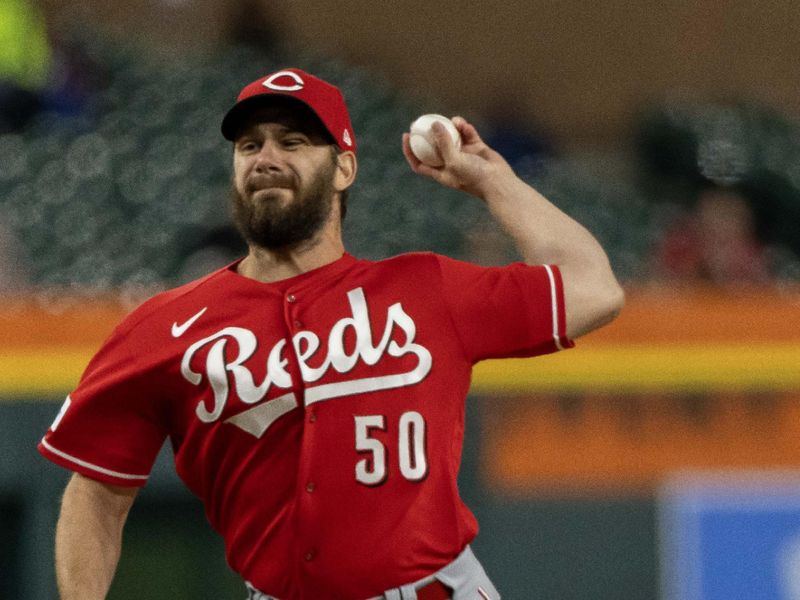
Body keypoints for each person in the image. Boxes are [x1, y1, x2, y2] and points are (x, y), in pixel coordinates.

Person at [38, 68, 624, 600]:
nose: (265, 157)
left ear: (344, 166)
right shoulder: (164, 327)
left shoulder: (426, 289)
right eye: (249, 145)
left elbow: (595, 289)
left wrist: (494, 182)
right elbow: (94, 495)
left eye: (292, 142)